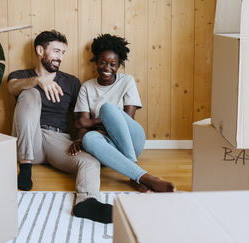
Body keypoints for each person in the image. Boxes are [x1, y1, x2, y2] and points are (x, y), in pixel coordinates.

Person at [7, 30, 112, 223]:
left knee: (89, 162)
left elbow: (81, 117)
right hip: (29, 139)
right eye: (56, 51)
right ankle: (26, 167)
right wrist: (37, 81)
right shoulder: (21, 76)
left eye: (62, 53)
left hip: (58, 140)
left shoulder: (71, 82)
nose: (60, 57)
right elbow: (12, 88)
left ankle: (86, 202)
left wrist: (84, 140)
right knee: (30, 94)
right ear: (40, 50)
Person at [70, 34, 176, 193]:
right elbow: (81, 124)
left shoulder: (127, 81)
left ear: (119, 65)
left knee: (108, 109)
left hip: (131, 141)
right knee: (89, 138)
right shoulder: (87, 87)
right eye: (103, 63)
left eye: (113, 64)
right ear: (96, 63)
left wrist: (93, 122)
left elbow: (127, 118)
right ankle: (141, 177)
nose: (107, 68)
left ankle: (134, 170)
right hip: (107, 145)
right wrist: (79, 138)